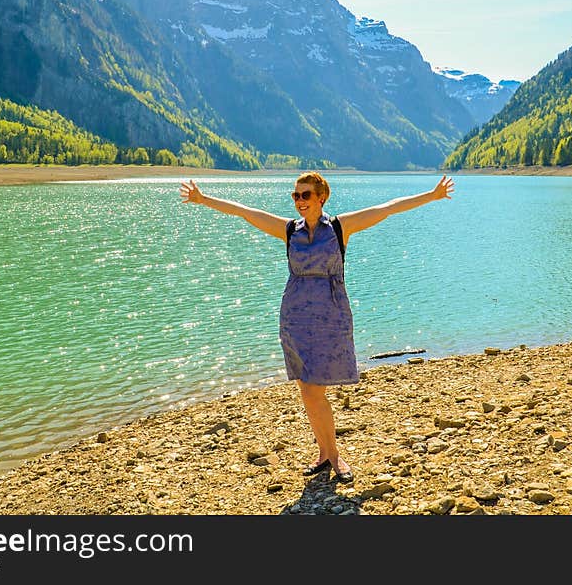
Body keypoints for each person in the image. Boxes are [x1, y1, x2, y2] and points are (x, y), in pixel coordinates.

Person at [180, 172, 455, 484]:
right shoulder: (289, 231)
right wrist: (203, 200)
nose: (299, 201)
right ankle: (326, 454)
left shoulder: (340, 228)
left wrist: (431, 196)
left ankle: (333, 455)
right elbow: (245, 212)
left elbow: (388, 207)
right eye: (295, 196)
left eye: (305, 195)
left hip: (330, 317)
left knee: (314, 392)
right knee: (307, 391)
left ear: (321, 197)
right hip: (295, 318)